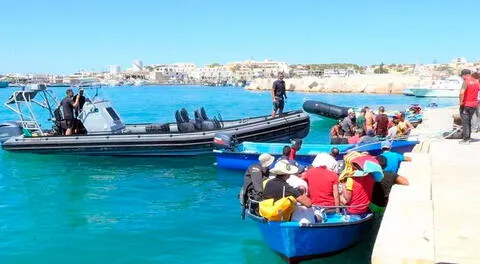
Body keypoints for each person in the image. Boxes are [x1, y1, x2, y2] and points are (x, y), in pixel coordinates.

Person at [459, 69, 480, 144]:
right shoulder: (477, 82)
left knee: (465, 122)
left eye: (462, 76)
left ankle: (466, 139)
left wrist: (461, 102)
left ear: (464, 75)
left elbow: (462, 93)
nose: (462, 77)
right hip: (474, 105)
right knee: (469, 121)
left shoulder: (465, 82)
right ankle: (468, 137)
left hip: (466, 105)